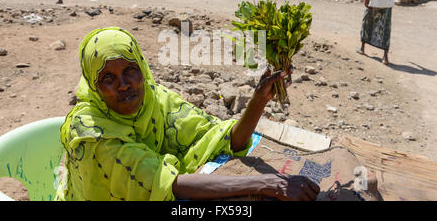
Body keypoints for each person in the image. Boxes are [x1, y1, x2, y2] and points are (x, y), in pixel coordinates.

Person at [55, 27, 320, 201]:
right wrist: (264, 183)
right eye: (108, 78)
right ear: (93, 85)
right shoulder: (90, 135)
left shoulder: (155, 100)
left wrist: (259, 100)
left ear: (143, 69)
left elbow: (222, 140)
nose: (123, 84)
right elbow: (167, 185)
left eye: (130, 71)